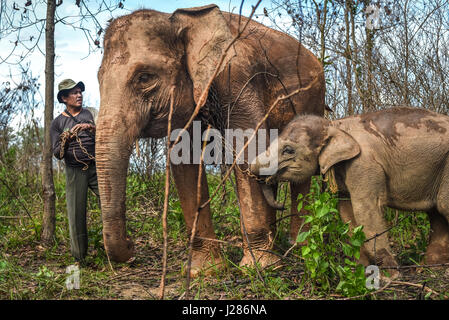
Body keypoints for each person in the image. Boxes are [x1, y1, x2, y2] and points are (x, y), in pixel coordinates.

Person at [50, 79, 99, 262]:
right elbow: (57, 153)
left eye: (80, 92)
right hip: (74, 172)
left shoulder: (92, 113)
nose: (79, 95)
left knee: (111, 203)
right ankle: (79, 259)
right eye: (73, 93)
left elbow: (106, 134)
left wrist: (91, 128)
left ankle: (114, 248)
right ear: (64, 98)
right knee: (76, 215)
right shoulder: (57, 123)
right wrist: (67, 140)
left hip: (96, 168)